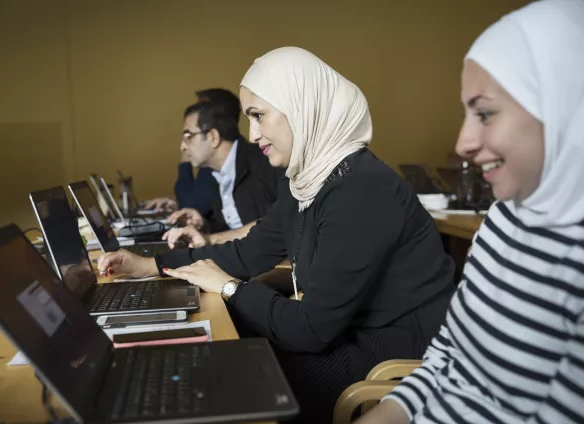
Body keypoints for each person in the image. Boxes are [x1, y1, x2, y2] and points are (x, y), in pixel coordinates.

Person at [99, 47, 455, 423]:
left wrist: (230, 288)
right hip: (349, 331)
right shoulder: (307, 180)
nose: (252, 135)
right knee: (222, 354)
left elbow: (311, 330)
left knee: (228, 378)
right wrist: (152, 264)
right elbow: (249, 253)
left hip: (392, 349)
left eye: (259, 116)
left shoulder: (360, 189)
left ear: (302, 108)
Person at [361, 1, 584, 423]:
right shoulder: (502, 219)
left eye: (484, 113)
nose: (463, 141)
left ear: (564, 104)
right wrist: (388, 411)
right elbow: (449, 355)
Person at [164, 100, 281, 247]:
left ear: (213, 136)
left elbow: (280, 223)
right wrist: (204, 225)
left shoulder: (266, 161)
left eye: (188, 136)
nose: (182, 146)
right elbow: (235, 228)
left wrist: (210, 239)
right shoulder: (220, 172)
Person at [145, 89, 242, 216]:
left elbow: (190, 205)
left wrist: (185, 159)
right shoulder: (219, 165)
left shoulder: (224, 163)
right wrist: (177, 204)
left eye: (201, 108)